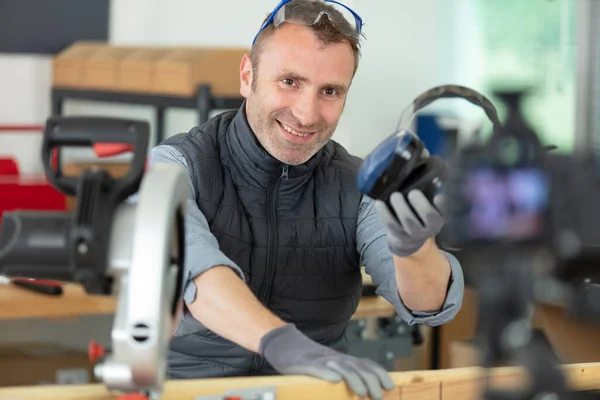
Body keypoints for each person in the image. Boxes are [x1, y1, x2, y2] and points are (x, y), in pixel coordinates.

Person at [149, 0, 464, 399]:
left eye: (330, 91)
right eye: (290, 82)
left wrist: (414, 247)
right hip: (186, 391)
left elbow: (427, 303)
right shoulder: (177, 165)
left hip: (311, 392)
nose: (306, 113)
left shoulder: (359, 184)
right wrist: (285, 346)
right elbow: (196, 275)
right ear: (248, 76)